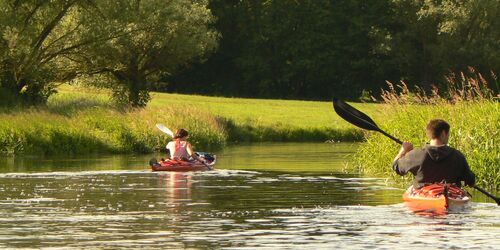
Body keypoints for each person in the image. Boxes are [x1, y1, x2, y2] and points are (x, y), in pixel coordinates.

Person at [392, 119, 475, 189]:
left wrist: (403, 150)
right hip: (451, 196)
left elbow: (396, 166)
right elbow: (471, 181)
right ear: (443, 134)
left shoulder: (416, 154)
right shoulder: (458, 156)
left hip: (424, 195)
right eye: (448, 134)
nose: (448, 137)